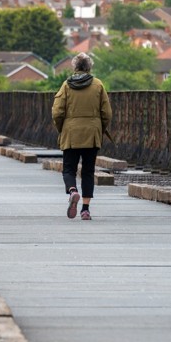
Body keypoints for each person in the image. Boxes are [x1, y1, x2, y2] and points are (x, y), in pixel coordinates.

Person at [51, 52, 112, 220]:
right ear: (89, 67)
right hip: (92, 134)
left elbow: (57, 112)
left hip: (71, 133)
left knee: (69, 169)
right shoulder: (98, 85)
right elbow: (107, 113)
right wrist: (99, 128)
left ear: (75, 67)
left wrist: (62, 128)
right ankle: (85, 209)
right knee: (88, 171)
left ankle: (73, 191)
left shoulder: (66, 85)